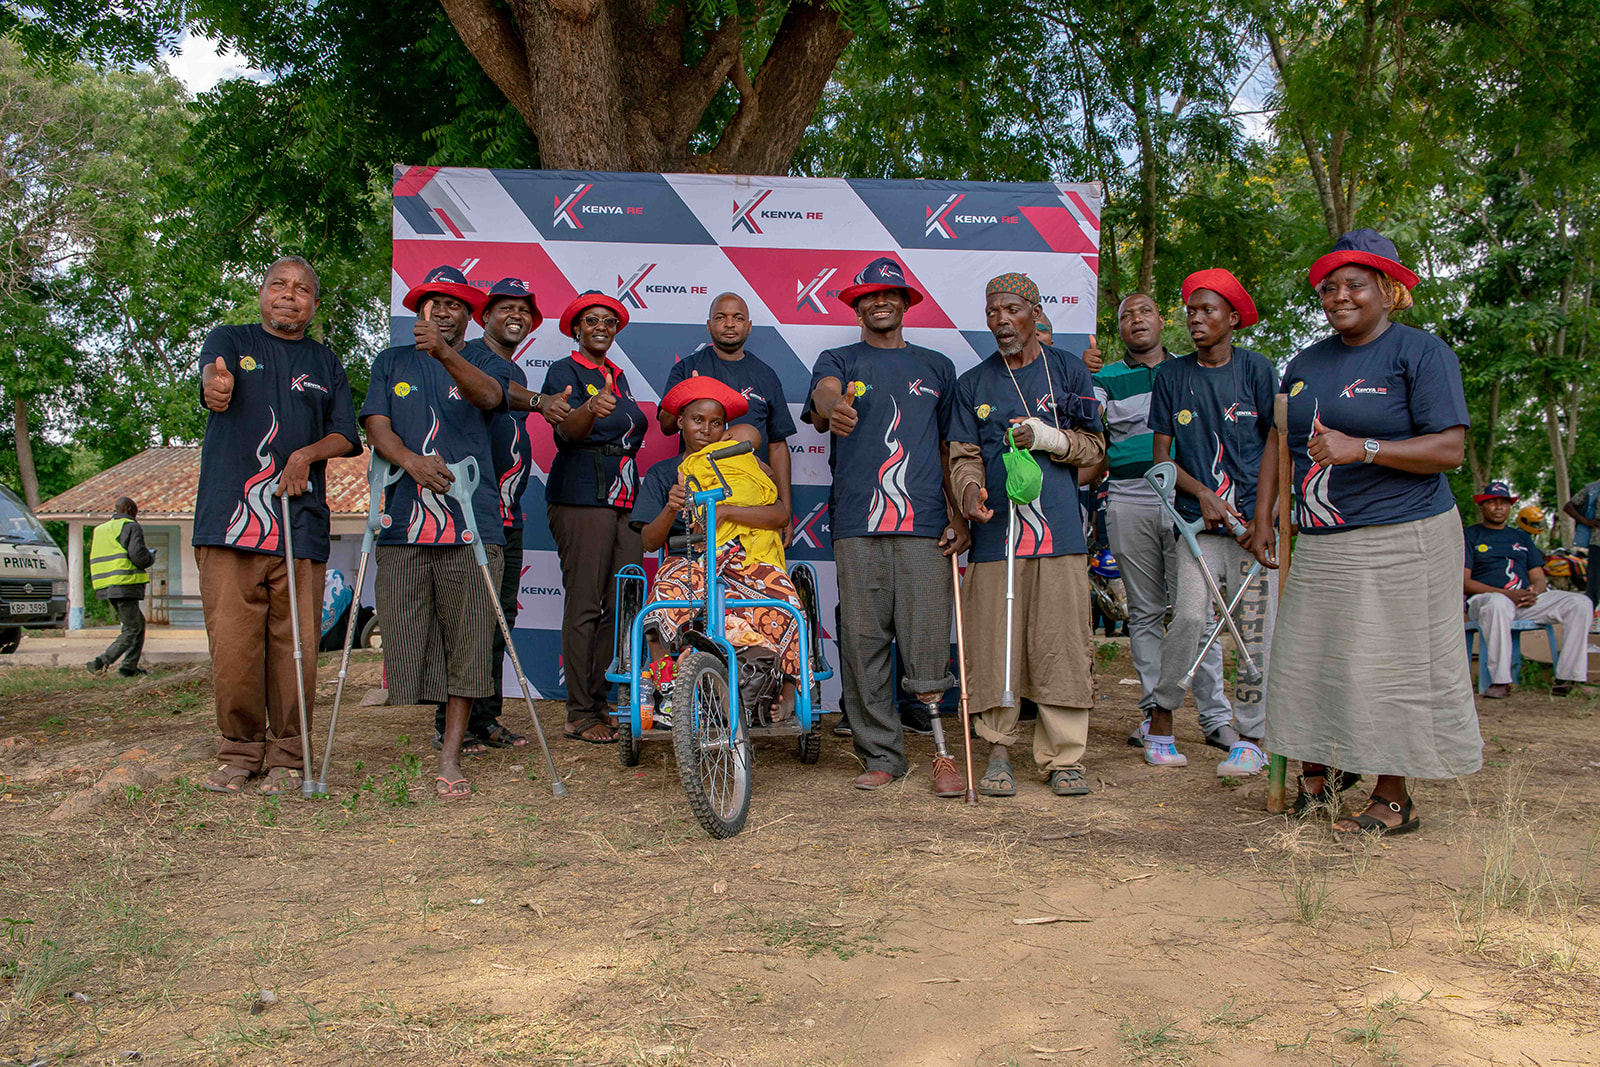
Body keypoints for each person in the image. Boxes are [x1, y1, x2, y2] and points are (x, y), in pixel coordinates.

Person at [1249, 229, 1480, 837]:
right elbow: (1281, 440)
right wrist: (1264, 516)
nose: (1339, 296)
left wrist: (1365, 448)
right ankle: (1319, 779)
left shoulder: (1421, 353)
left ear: (1388, 289)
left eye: (1354, 284)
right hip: (1320, 537)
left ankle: (1394, 796)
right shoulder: (1305, 363)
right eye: (1330, 287)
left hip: (1406, 535)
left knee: (1390, 666)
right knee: (1308, 660)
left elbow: (1450, 449)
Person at [194, 256, 362, 795]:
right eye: (279, 286)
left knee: (297, 647)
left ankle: (292, 754)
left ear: (314, 304)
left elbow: (346, 435)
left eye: (302, 290)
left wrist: (306, 455)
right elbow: (212, 380)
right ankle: (240, 751)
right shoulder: (230, 339)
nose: (289, 296)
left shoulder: (325, 362)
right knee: (235, 646)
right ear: (262, 293)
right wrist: (215, 387)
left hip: (301, 525)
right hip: (230, 525)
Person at [803, 256, 965, 793]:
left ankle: (942, 752)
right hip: (856, 523)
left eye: (890, 295)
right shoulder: (840, 359)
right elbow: (825, 395)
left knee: (924, 642)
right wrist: (836, 407)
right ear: (856, 305)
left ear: (905, 303)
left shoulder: (937, 366)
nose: (880, 301)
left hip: (925, 523)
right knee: (863, 639)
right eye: (869, 295)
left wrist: (960, 514)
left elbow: (949, 448)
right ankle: (881, 755)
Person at [360, 264, 518, 800]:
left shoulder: (479, 358)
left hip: (472, 521)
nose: (444, 310)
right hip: (404, 521)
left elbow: (491, 399)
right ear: (419, 309)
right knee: (407, 630)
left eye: (455, 303)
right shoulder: (390, 361)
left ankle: (452, 754)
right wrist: (409, 459)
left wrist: (445, 354)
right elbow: (376, 425)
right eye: (435, 301)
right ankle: (434, 727)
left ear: (469, 316)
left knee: (471, 637)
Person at [950, 273, 1106, 798]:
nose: (1000, 321)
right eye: (992, 311)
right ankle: (997, 746)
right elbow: (963, 457)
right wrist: (970, 496)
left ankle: (1063, 757)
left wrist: (1047, 437)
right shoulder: (972, 383)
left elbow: (1094, 450)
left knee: (1060, 640)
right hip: (998, 539)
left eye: (1011, 309)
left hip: (1059, 535)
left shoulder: (1067, 372)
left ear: (1035, 313)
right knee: (996, 640)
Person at [1145, 269, 1278, 776]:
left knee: (1253, 631)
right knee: (1191, 621)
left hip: (1255, 531)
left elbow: (1277, 448)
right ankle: (1161, 719)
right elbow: (1161, 459)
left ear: (1233, 318)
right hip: (1195, 530)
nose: (1196, 320)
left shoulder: (1258, 371)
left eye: (1208, 311)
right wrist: (1201, 494)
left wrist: (1263, 520)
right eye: (1191, 311)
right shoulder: (1173, 376)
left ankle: (1251, 736)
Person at [432, 277, 571, 755]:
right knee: (468, 619)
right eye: (506, 308)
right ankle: (450, 726)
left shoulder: (508, 367)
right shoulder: (470, 359)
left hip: (507, 514)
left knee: (497, 618)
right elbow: (493, 392)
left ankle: (485, 719)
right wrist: (538, 402)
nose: (517, 316)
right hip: (474, 514)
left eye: (525, 311)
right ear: (483, 316)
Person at [1091, 294, 1231, 749]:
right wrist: (1084, 372)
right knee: (1146, 611)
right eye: (1126, 315)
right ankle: (1154, 713)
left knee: (1199, 612)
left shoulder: (1188, 369)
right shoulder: (1105, 376)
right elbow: (1091, 430)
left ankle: (1216, 718)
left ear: (1161, 320)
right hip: (1128, 495)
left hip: (1183, 496)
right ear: (1120, 330)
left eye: (1145, 311)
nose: (1136, 320)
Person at [635, 377, 802, 709]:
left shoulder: (746, 466)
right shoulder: (664, 473)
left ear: (726, 430)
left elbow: (780, 514)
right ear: (680, 421)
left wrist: (727, 511)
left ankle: (787, 692)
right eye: (698, 420)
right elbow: (649, 541)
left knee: (787, 600)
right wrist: (671, 508)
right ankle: (669, 684)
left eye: (716, 423)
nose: (706, 430)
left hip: (744, 562)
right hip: (688, 562)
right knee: (663, 601)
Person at [542, 290, 649, 744]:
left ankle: (605, 699)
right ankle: (579, 711)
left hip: (625, 499)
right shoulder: (564, 372)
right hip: (582, 496)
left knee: (621, 604)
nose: (601, 326)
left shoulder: (617, 376)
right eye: (592, 320)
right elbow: (566, 433)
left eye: (609, 320)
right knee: (586, 604)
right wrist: (589, 408)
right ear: (576, 328)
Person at [660, 293, 797, 542]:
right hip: (702, 489)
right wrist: (686, 394)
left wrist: (785, 510)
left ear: (749, 326)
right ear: (709, 325)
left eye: (738, 318)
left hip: (754, 497)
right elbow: (666, 426)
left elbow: (777, 445)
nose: (730, 324)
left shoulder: (766, 375)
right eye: (721, 317)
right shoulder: (687, 368)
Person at [1464, 480, 1590, 698]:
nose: (1498, 507)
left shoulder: (1521, 537)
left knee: (1580, 603)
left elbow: (1538, 578)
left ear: (1510, 507)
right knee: (1498, 603)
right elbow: (1463, 582)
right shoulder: (1470, 535)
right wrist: (1507, 594)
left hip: (1523, 601)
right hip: (1485, 601)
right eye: (1492, 502)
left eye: (1503, 502)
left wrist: (1533, 592)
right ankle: (1500, 681)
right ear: (1482, 506)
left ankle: (1567, 679)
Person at [85, 496, 155, 678]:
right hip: (125, 583)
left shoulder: (100, 530)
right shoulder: (131, 526)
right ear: (131, 510)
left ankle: (128, 668)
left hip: (106, 585)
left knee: (137, 624)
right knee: (132, 628)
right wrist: (150, 557)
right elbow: (138, 557)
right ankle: (100, 662)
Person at [1560, 478, 1600, 609]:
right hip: (1597, 543)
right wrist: (1585, 521)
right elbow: (1568, 506)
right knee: (1594, 586)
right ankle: (1591, 619)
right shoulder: (1594, 488)